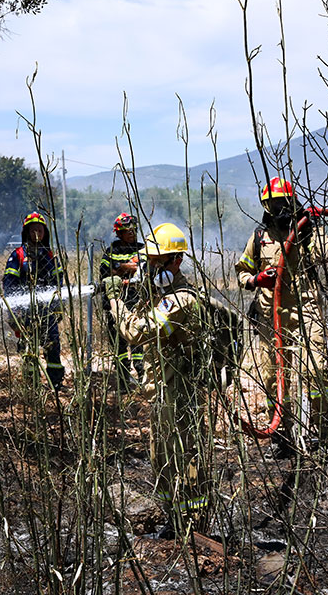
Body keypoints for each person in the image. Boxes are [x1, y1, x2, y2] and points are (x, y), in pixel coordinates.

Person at [102, 223, 212, 538]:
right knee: (160, 456)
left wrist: (114, 300)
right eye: (147, 261)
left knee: (186, 455)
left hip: (180, 393)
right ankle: (172, 520)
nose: (149, 267)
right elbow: (142, 317)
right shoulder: (162, 293)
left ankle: (194, 524)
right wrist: (132, 289)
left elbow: (135, 332)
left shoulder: (181, 300)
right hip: (163, 391)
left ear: (175, 261)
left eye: (156, 262)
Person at [235, 177, 328, 458]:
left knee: (315, 371)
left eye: (283, 203)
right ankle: (282, 436)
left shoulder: (306, 231)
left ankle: (326, 432)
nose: (278, 208)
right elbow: (242, 271)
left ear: (292, 203)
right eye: (273, 204)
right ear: (266, 205)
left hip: (307, 313)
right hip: (271, 317)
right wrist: (256, 280)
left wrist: (308, 228)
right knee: (273, 379)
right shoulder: (259, 237)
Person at [3, 211, 65, 389]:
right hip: (25, 313)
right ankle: (32, 385)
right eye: (33, 230)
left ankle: (55, 382)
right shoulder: (18, 256)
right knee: (29, 349)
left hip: (47, 311)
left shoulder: (50, 256)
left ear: (45, 232)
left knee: (53, 346)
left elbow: (58, 282)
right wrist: (13, 313)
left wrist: (58, 306)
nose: (37, 233)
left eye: (40, 229)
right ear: (26, 233)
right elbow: (9, 286)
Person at [99, 213, 145, 391]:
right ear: (119, 233)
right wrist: (122, 268)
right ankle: (123, 383)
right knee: (119, 345)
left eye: (134, 230)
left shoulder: (143, 249)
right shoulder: (111, 251)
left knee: (138, 342)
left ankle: (143, 379)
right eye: (127, 231)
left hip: (137, 302)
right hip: (114, 304)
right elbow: (104, 273)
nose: (131, 233)